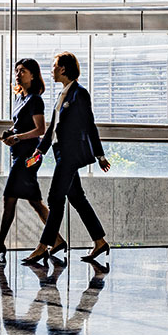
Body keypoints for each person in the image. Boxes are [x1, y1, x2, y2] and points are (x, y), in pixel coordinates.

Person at [22, 52, 111, 265]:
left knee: (54, 199)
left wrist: (100, 155)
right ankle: (99, 241)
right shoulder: (62, 94)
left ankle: (44, 246)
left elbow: (90, 125)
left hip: (70, 157)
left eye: (54, 66)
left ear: (63, 69)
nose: (51, 70)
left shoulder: (79, 94)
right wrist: (39, 152)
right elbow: (52, 128)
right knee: (77, 198)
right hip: (60, 153)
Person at [0, 58, 65, 260]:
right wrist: (11, 132)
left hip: (29, 155)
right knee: (35, 202)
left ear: (33, 75)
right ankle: (58, 240)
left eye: (23, 71)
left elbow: (40, 130)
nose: (18, 74)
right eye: (17, 70)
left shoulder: (36, 99)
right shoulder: (20, 98)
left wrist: (17, 137)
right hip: (19, 153)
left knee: (9, 198)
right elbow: (21, 124)